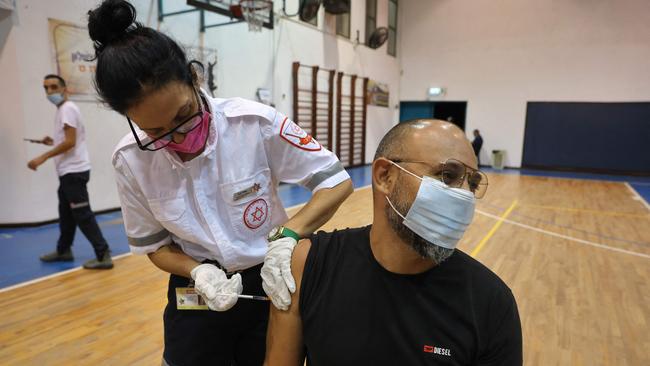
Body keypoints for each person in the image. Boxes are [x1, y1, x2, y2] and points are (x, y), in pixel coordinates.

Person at [87, 1, 353, 365]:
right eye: (155, 131)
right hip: (197, 286)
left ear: (195, 80)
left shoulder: (254, 124)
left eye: (183, 116)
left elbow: (335, 182)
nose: (177, 139)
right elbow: (155, 245)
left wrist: (287, 237)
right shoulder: (130, 159)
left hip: (269, 279)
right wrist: (196, 270)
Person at [265, 120, 522, 366]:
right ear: (385, 176)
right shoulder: (307, 264)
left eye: (472, 183)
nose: (464, 194)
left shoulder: (492, 304)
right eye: (447, 175)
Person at [27, 74, 113, 270]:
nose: (49, 92)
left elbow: (70, 142)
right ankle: (64, 250)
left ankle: (103, 254)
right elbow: (67, 139)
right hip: (68, 173)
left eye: (53, 87)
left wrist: (43, 157)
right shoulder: (63, 110)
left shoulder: (67, 109)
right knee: (66, 214)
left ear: (64, 89)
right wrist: (51, 141)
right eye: (46, 88)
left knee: (82, 214)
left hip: (74, 172)